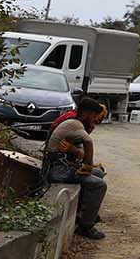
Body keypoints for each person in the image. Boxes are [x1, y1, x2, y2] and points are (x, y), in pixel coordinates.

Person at [43, 96, 109, 240]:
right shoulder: (75, 124)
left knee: (98, 173)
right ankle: (86, 226)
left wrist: (78, 154)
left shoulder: (74, 122)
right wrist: (87, 166)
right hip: (58, 170)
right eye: (94, 116)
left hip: (63, 166)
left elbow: (81, 152)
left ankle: (83, 213)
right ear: (86, 113)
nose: (94, 120)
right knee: (99, 185)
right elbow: (88, 143)